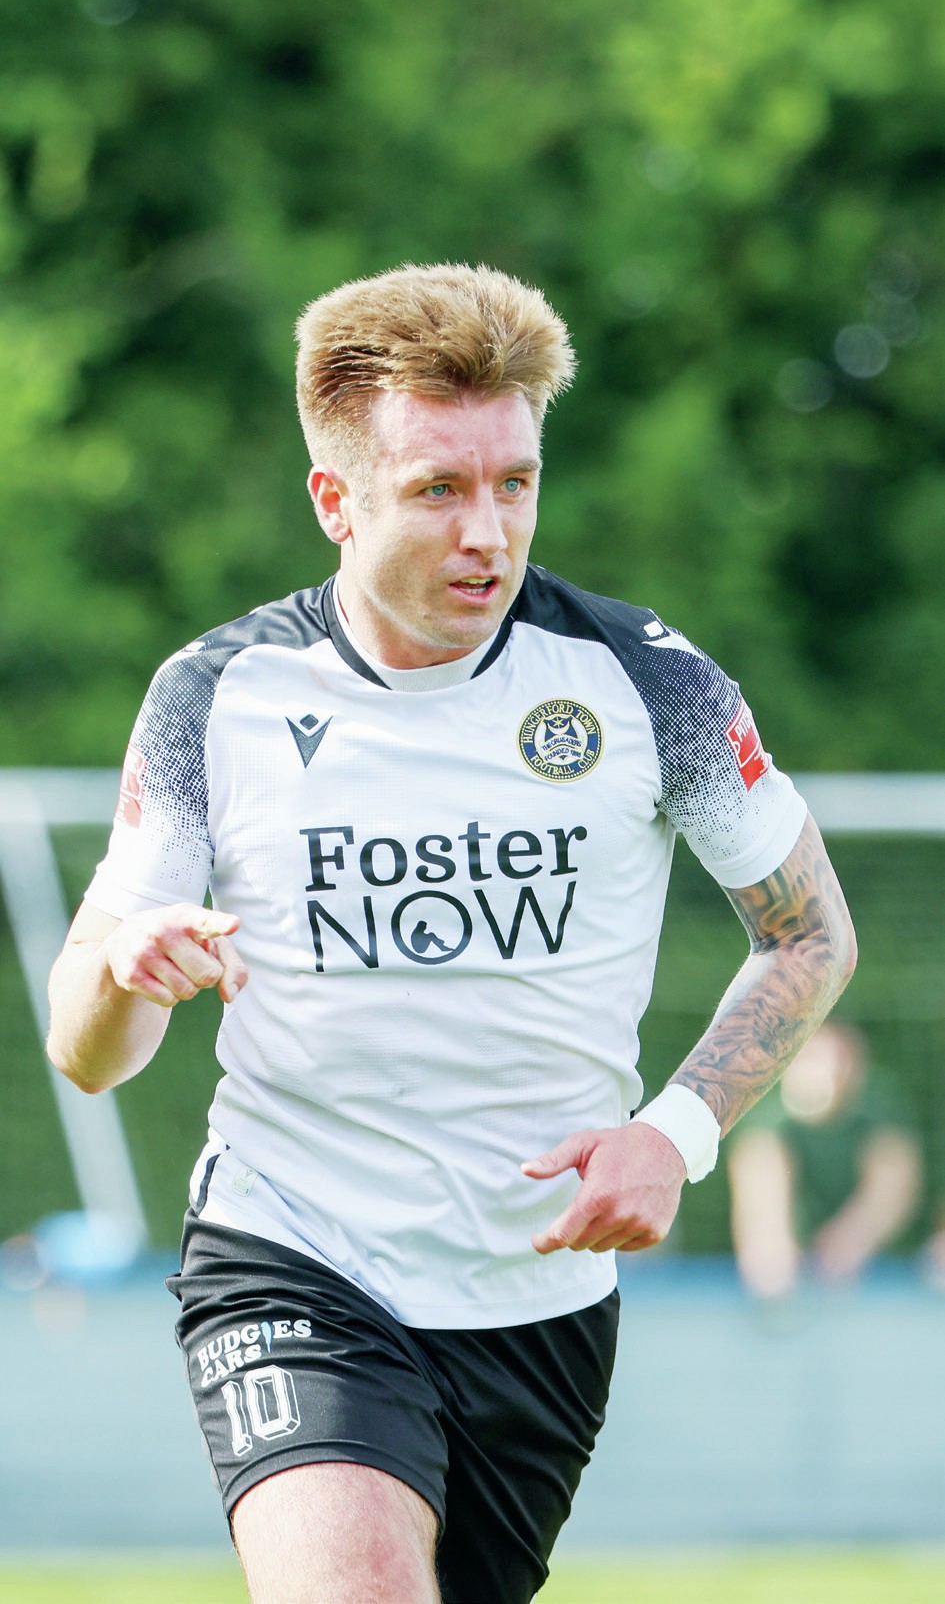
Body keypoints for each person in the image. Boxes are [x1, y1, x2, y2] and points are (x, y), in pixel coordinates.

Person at [46, 262, 857, 1604]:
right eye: (437, 490)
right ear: (336, 500)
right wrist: (129, 974)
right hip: (292, 1250)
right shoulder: (218, 694)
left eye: (514, 483)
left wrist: (675, 1132)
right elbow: (88, 1052)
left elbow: (810, 936)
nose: (489, 532)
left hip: (536, 1302)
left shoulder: (646, 683)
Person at [727, 1019, 921, 1298]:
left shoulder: (881, 1107)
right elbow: (760, 1198)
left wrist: (848, 1244)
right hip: (793, 1277)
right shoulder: (765, 1117)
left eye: (836, 1058)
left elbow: (892, 1187)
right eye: (812, 1057)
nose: (825, 1071)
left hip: (887, 1275)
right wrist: (771, 1257)